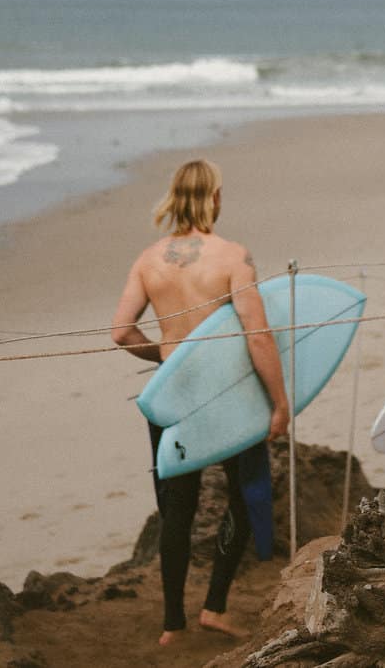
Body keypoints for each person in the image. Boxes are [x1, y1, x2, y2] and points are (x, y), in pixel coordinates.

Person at [111, 158, 290, 647]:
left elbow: (121, 331)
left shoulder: (148, 260)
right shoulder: (233, 257)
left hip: (173, 393)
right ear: (214, 197)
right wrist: (279, 403)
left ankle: (172, 624)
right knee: (243, 494)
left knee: (178, 509)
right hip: (224, 394)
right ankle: (214, 607)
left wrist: (167, 354)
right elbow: (258, 336)